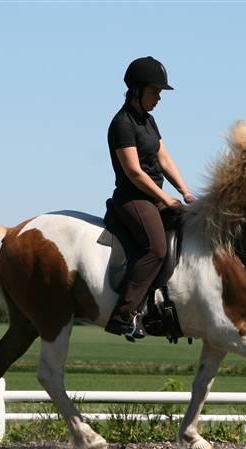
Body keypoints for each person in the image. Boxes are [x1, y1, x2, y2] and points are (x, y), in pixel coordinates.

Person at [104, 56, 194, 339]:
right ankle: (123, 317)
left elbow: (163, 158)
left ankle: (165, 304)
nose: (158, 98)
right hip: (133, 198)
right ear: (136, 90)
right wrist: (165, 198)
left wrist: (184, 191)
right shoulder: (122, 124)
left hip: (153, 196)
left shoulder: (149, 121)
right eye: (155, 92)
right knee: (156, 249)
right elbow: (134, 172)